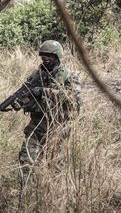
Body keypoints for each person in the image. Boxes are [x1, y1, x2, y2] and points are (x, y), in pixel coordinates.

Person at [12, 40, 81, 188]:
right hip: (36, 126)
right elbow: (27, 93)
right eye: (43, 55)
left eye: (49, 55)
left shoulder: (69, 75)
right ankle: (26, 196)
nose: (45, 58)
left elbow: (72, 97)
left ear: (57, 56)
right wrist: (20, 102)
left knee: (55, 166)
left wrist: (44, 91)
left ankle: (54, 197)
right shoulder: (36, 75)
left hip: (57, 127)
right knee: (26, 160)